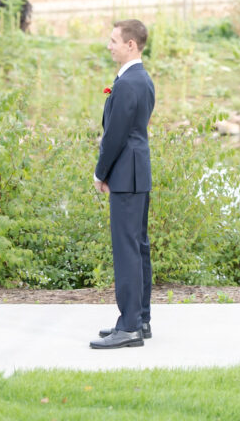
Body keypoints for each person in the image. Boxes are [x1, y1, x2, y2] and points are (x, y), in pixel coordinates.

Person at [90, 19, 155, 350]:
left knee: (127, 250)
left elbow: (115, 135)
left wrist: (101, 172)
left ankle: (129, 326)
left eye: (114, 40)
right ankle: (140, 319)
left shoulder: (129, 83)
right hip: (137, 173)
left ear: (131, 45)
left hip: (125, 176)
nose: (109, 45)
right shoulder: (142, 79)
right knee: (138, 246)